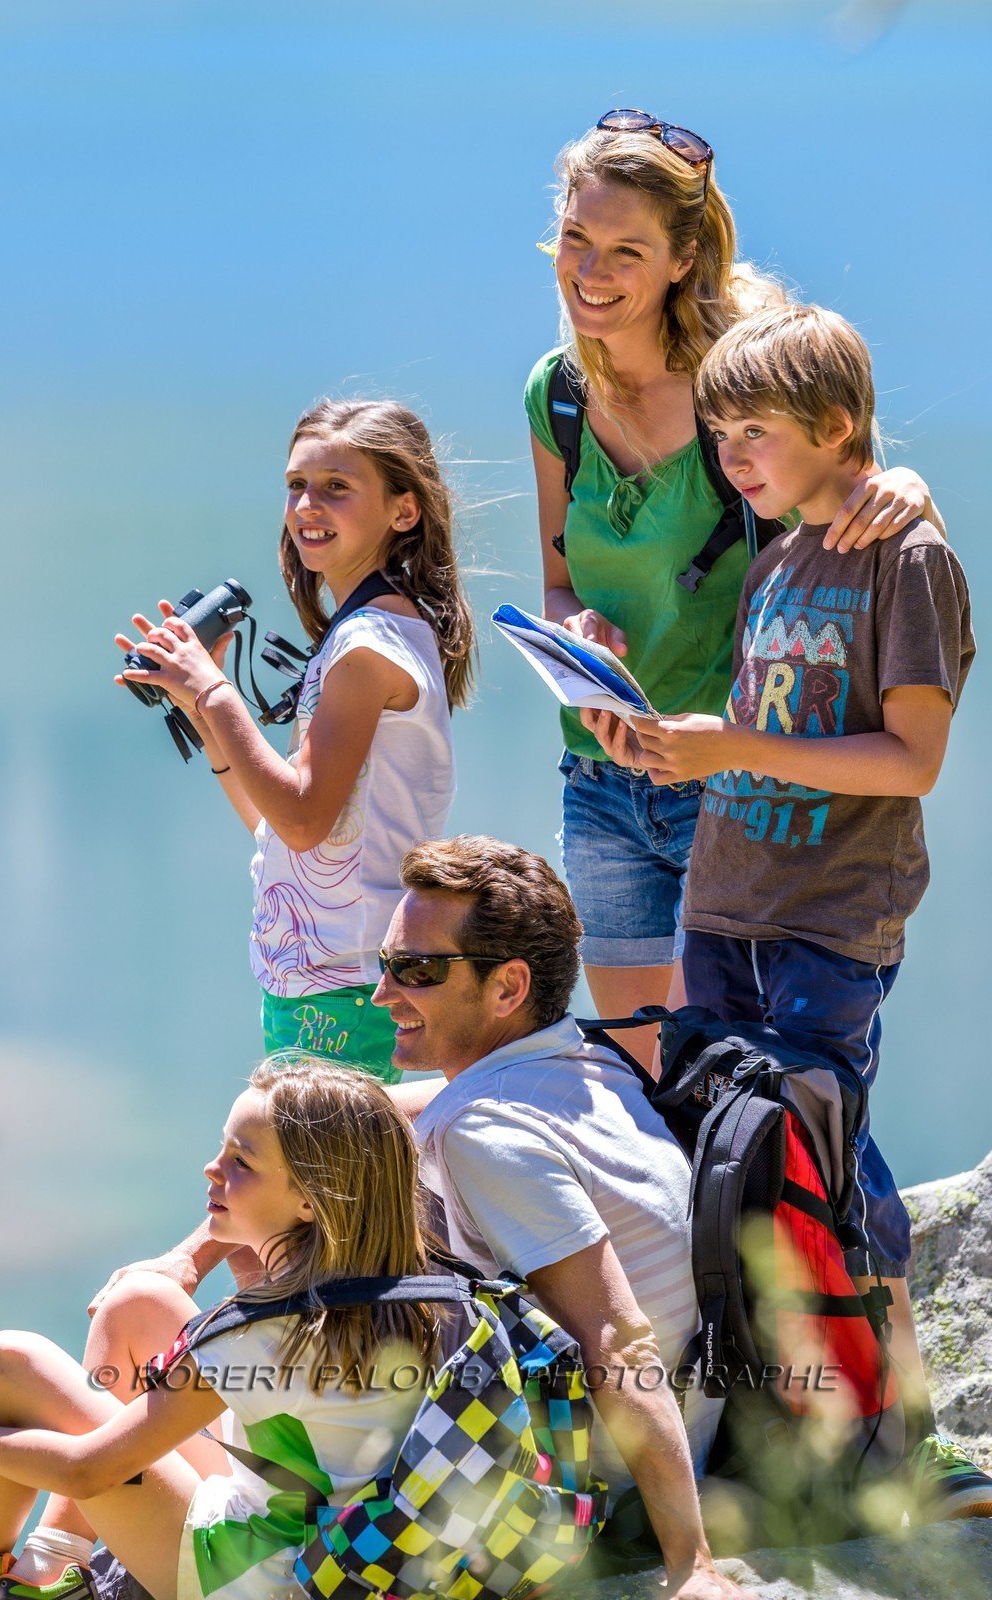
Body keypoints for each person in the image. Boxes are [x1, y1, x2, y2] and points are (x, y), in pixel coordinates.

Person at [583, 300, 991, 1522]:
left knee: (829, 1159)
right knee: (726, 1161)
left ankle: (910, 1438)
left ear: (835, 425)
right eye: (717, 436)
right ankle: (765, 1429)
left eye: (751, 432)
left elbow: (909, 757)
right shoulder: (776, 553)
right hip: (727, 901)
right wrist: (672, 751)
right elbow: (769, 740)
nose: (731, 460)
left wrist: (731, 744)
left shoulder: (904, 554)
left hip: (829, 913)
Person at [526, 108, 942, 1067]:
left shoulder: (738, 385)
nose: (589, 270)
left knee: (730, 1080)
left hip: (736, 778)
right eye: (576, 239)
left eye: (624, 249)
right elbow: (556, 581)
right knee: (643, 1075)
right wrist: (575, 629)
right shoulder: (554, 395)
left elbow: (863, 505)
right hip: (603, 773)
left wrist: (908, 487)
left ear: (680, 257)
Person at [372, 834, 745, 1600]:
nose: (383, 995)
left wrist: (692, 1567)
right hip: (688, 1438)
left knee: (152, 1335)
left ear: (507, 987)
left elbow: (615, 1335)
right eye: (384, 965)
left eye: (415, 970)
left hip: (578, 1506)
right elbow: (420, 1110)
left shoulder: (483, 1136)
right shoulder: (591, 1059)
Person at [0, 1059, 442, 1600]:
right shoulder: (411, 1300)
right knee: (139, 1303)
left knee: (8, 1363)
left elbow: (87, 1471)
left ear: (310, 1200)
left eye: (241, 1161)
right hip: (321, 1544)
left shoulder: (259, 1334)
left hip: (250, 1578)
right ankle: (53, 1567)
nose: (211, 1169)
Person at [118, 399, 475, 1083]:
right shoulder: (359, 636)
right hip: (316, 981)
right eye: (296, 486)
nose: (308, 505)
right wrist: (202, 700)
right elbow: (277, 824)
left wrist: (215, 693)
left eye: (337, 488)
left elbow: (304, 819)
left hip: (348, 987)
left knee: (332, 1187)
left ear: (405, 510)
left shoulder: (367, 648)